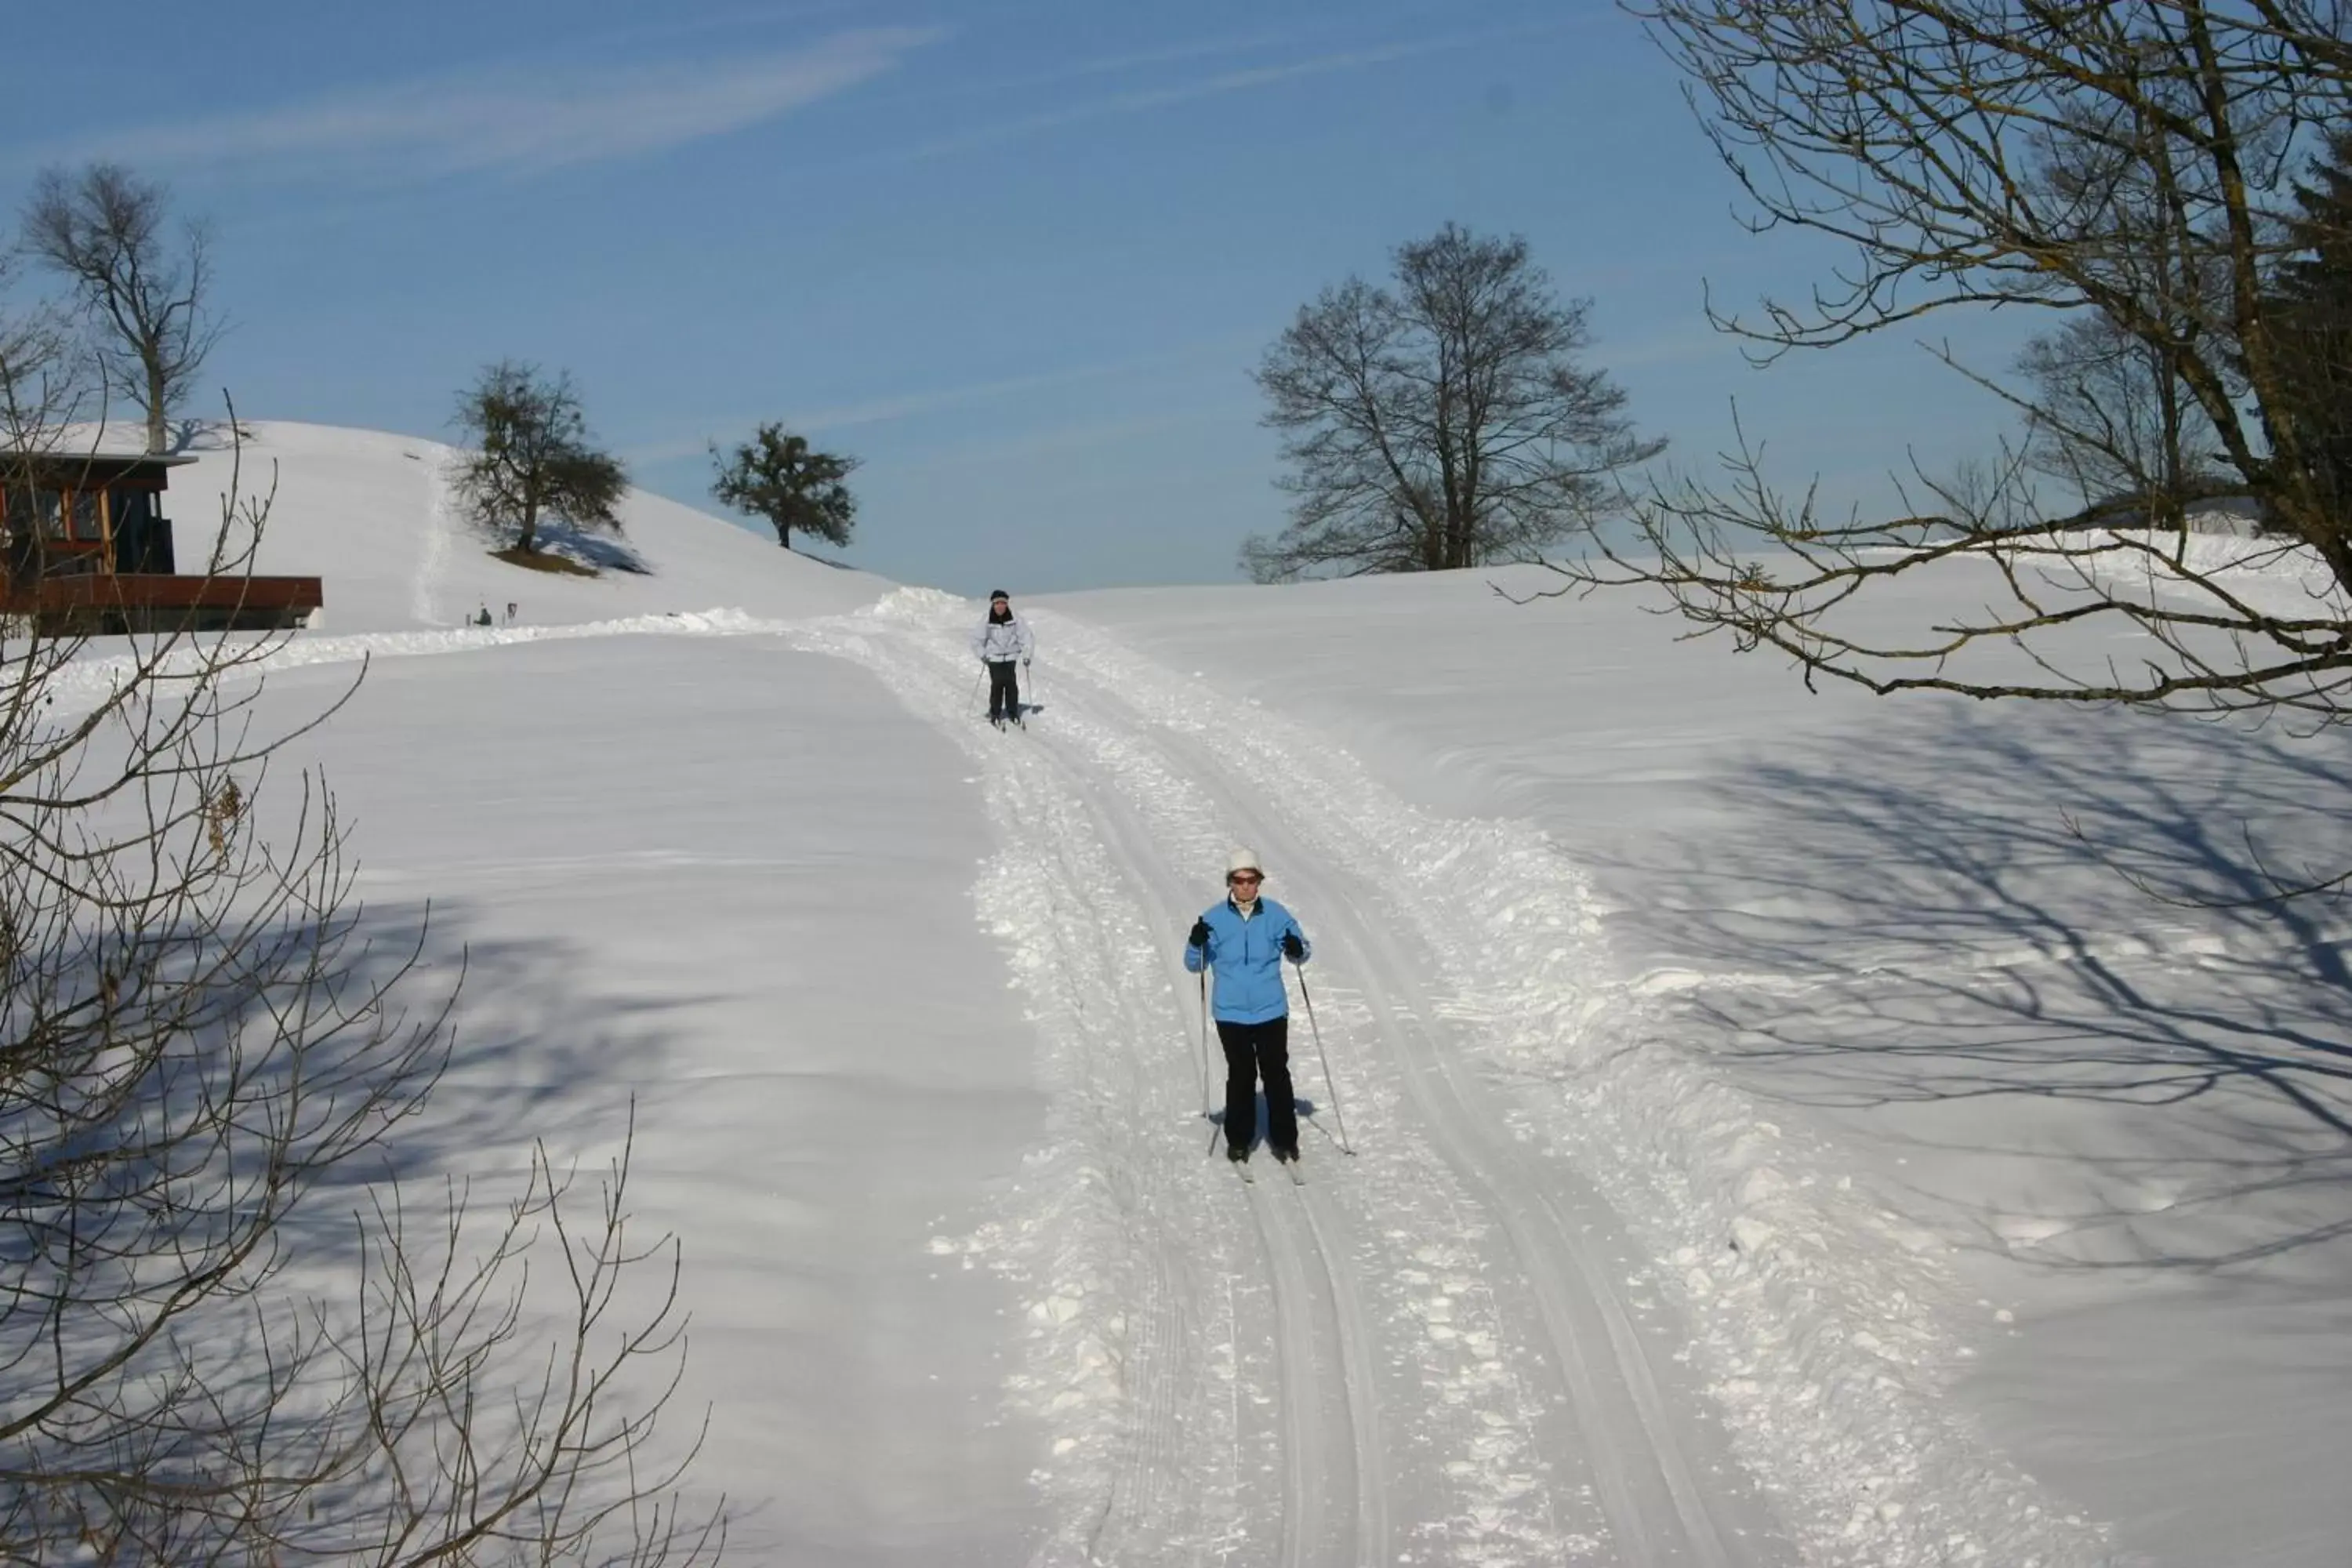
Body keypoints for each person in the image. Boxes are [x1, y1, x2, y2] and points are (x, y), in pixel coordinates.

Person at [1184, 848, 1311, 1165]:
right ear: (1230, 882)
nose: (1245, 887)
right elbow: (1193, 964)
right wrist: (1196, 941)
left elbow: (1302, 951)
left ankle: (1285, 1141)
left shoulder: (1276, 915)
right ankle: (1239, 1141)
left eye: (1251, 880)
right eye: (1239, 881)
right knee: (1241, 1076)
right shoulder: (1212, 919)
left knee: (1276, 1074)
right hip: (1231, 1012)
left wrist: (1297, 947)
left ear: (1259, 881)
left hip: (1270, 1010)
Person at [969, 589, 1034, 729]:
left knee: (1011, 685)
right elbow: (976, 639)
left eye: (1003, 603)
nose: (1000, 606)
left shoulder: (1014, 618)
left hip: (1010, 656)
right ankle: (996, 714)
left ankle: (1013, 712)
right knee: (998, 684)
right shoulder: (987, 619)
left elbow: (1026, 636)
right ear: (993, 604)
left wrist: (1027, 655)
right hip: (994, 658)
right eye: (997, 603)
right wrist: (983, 654)